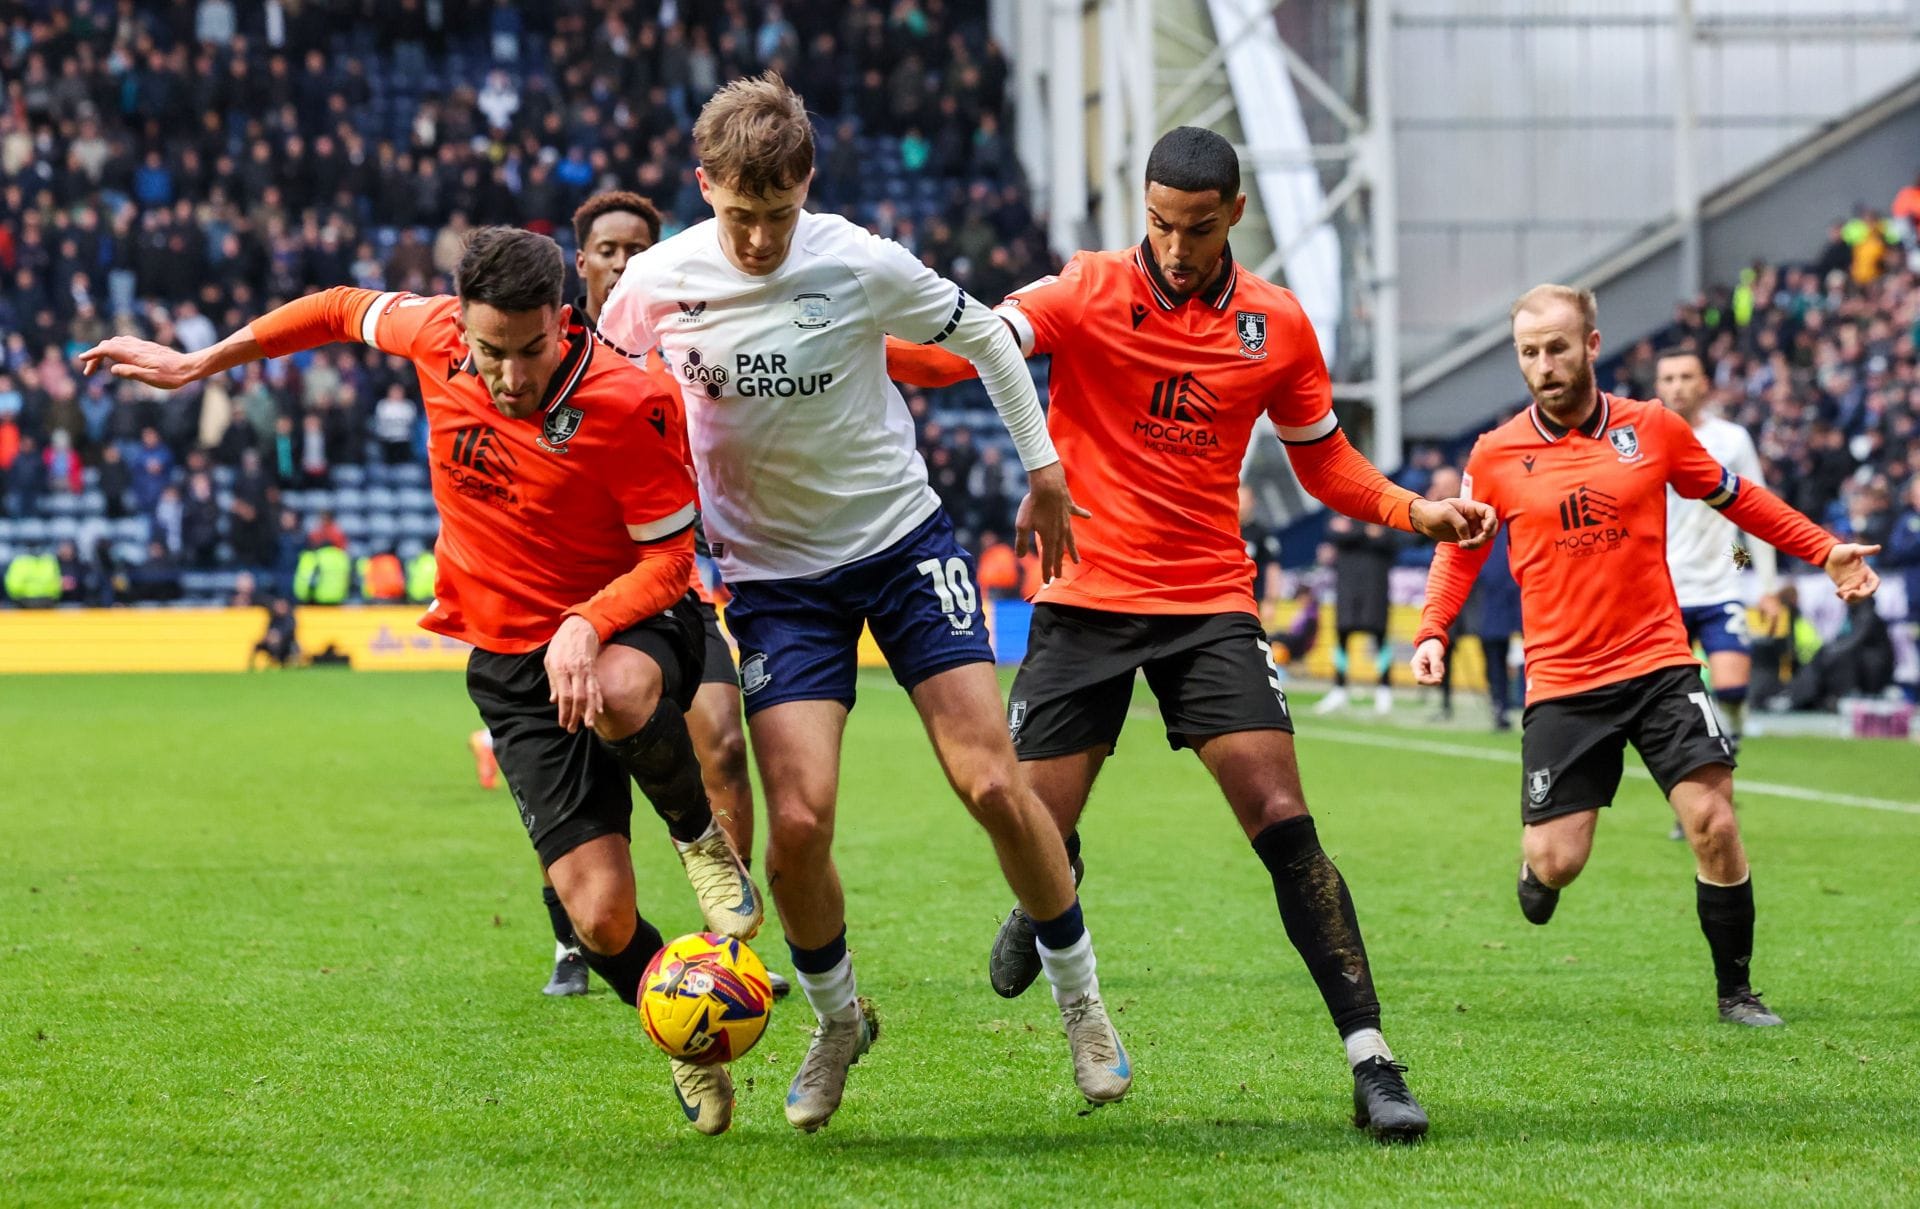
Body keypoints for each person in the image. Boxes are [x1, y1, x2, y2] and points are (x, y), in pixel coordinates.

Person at [80, 226, 762, 1136]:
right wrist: (202, 362)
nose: (510, 375)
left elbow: (671, 560)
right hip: (512, 662)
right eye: (490, 350)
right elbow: (333, 308)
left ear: (562, 321)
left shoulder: (628, 401)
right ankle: (687, 1035)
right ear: (462, 325)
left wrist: (587, 622)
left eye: (530, 350)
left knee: (620, 687)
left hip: (627, 618)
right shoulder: (431, 331)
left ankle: (700, 840)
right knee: (600, 919)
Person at [888, 126, 1497, 1140]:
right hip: (1084, 597)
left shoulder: (1277, 324)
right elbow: (970, 349)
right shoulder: (1086, 287)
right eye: (1161, 224)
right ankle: (1050, 879)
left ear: (1235, 215)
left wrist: (1413, 510)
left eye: (1199, 228)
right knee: (1028, 821)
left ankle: (1373, 1062)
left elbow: (1322, 458)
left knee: (1283, 816)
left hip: (1209, 602)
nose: (1176, 248)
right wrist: (854, 337)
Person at [599, 73, 1124, 1132]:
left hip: (901, 546)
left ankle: (1083, 1004)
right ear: (704, 187)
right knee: (795, 825)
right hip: (774, 583)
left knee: (990, 782)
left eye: (778, 213)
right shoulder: (655, 283)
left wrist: (1044, 468)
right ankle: (839, 1022)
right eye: (740, 217)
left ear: (807, 183)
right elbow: (606, 399)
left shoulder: (858, 260)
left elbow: (987, 337)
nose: (759, 240)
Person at [1411, 283, 1880, 1028]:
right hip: (1564, 680)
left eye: (1557, 348)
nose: (1544, 365)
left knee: (1714, 821)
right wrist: (1434, 629)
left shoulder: (1652, 427)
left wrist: (1824, 549)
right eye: (1529, 353)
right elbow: (1459, 549)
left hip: (1659, 662)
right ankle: (1538, 867)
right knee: (1559, 861)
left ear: (1591, 345)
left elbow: (1738, 497)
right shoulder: (1495, 454)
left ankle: (1736, 991)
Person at [1655, 347, 1778, 838]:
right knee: (1676, 707)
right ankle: (1692, 803)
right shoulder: (1640, 439)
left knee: (1731, 689)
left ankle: (1729, 749)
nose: (1678, 386)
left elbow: (1757, 510)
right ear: (1658, 386)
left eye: (1687, 376)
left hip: (1723, 581)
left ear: (1705, 383)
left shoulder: (1731, 439)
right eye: (1669, 378)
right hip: (1663, 591)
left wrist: (1765, 585)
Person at [1315, 512, 1399, 716]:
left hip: (1375, 586)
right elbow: (1334, 535)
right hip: (1347, 585)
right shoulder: (1343, 510)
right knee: (1342, 637)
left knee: (1380, 637)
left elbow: (1391, 541)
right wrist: (1365, 532)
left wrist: (1353, 531)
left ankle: (1384, 689)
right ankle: (1339, 688)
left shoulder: (1382, 512)